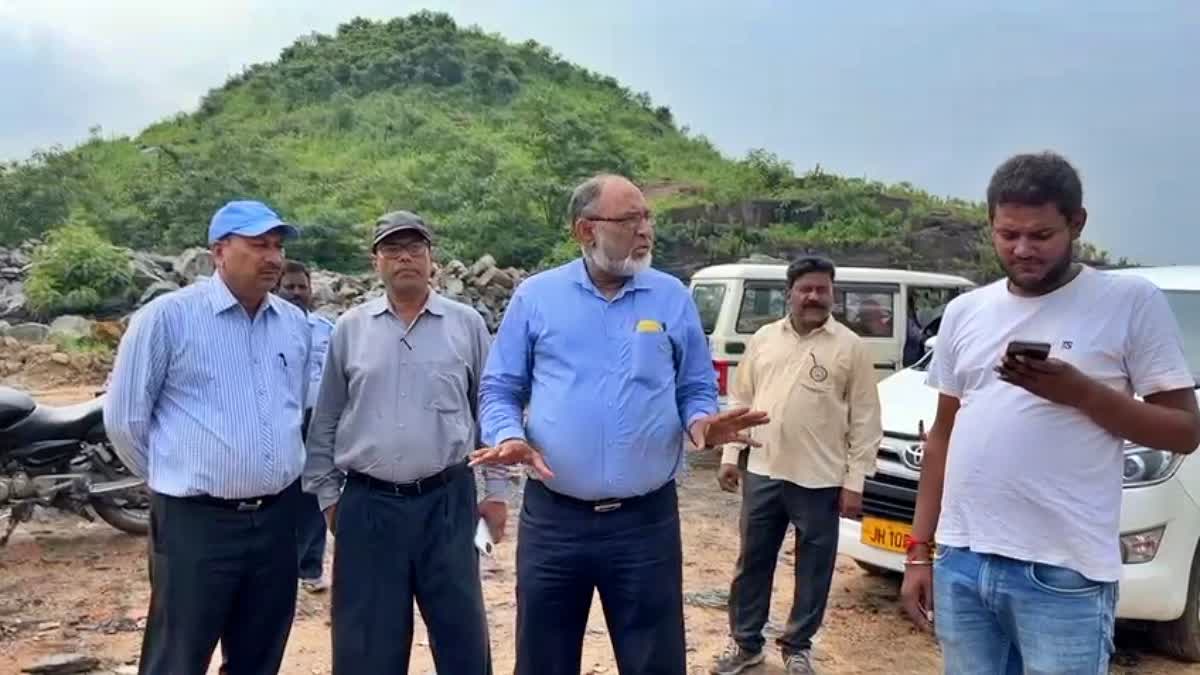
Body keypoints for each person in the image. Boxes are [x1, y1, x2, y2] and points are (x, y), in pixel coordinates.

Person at [900, 151, 1200, 674]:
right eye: (1007, 234)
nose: (1022, 250)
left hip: (1064, 575)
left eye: (1041, 236)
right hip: (962, 562)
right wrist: (920, 551)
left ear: (1076, 223)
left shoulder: (1129, 301)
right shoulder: (968, 311)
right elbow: (943, 437)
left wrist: (1081, 393)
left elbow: (1183, 431)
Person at [473, 174, 769, 675]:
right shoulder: (537, 297)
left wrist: (701, 425)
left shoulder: (671, 296)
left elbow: (695, 388)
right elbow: (499, 388)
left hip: (644, 524)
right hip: (555, 522)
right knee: (543, 658)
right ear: (586, 230)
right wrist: (509, 436)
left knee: (654, 660)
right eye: (630, 219)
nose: (646, 230)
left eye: (648, 218)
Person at [103, 200, 311, 675]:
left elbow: (293, 408)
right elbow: (125, 421)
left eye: (277, 246)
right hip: (196, 523)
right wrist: (179, 476)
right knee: (178, 656)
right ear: (219, 251)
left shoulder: (292, 324)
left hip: (278, 517)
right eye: (259, 245)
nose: (274, 258)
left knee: (259, 655)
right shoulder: (167, 319)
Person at [303, 210, 507, 675]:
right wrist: (329, 498)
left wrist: (496, 493)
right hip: (368, 504)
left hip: (449, 502)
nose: (405, 258)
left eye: (415, 248)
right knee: (366, 646)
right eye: (393, 249)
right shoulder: (350, 329)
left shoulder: (466, 324)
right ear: (376, 261)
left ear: (431, 258)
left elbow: (488, 412)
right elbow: (327, 417)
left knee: (462, 638)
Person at [711, 255, 883, 675]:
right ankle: (746, 645)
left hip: (820, 479)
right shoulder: (765, 339)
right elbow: (740, 400)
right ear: (789, 293)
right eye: (805, 289)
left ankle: (798, 647)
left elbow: (865, 419)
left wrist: (855, 481)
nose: (813, 297)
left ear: (832, 294)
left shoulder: (851, 347)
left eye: (822, 289)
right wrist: (732, 456)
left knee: (814, 568)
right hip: (764, 470)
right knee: (752, 562)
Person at [276, 261, 335, 592]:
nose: (297, 293)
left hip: (316, 420)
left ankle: (310, 568)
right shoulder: (267, 328)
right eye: (290, 287)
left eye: (302, 287)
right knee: (280, 493)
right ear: (277, 288)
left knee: (313, 491)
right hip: (278, 421)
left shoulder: (326, 329)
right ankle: (279, 566)